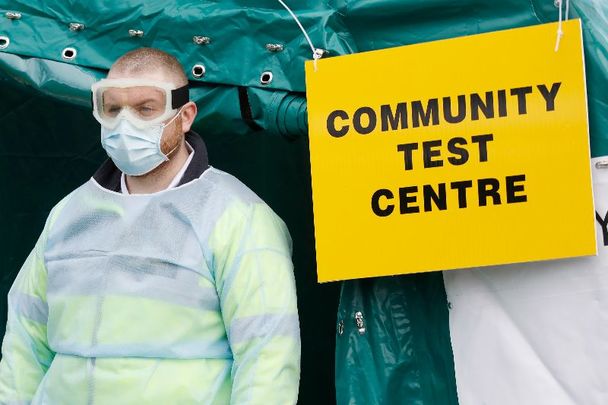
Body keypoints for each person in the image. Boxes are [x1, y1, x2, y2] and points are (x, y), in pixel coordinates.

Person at [0, 47, 301, 404]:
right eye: (112, 108)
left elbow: (267, 357)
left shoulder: (238, 217)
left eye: (145, 108)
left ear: (185, 115)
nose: (125, 124)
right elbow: (24, 341)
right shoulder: (68, 214)